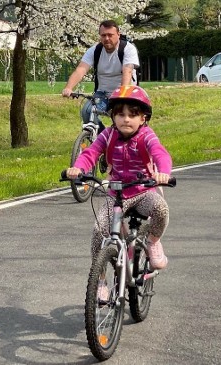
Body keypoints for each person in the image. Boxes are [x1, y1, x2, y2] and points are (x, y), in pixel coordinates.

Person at [66, 85, 172, 278]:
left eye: (132, 115)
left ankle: (153, 242)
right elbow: (91, 153)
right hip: (116, 195)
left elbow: (159, 153)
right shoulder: (108, 135)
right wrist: (78, 168)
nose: (126, 119)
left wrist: (163, 173)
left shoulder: (146, 135)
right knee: (99, 231)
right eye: (120, 115)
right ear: (113, 117)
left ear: (143, 118)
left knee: (161, 209)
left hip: (143, 192)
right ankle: (100, 281)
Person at [61, 19, 140, 132]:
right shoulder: (95, 51)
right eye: (103, 35)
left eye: (110, 35)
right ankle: (103, 138)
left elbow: (127, 72)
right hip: (102, 93)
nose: (107, 38)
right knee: (87, 112)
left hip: (125, 92)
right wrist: (69, 87)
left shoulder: (128, 49)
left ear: (118, 34)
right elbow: (81, 70)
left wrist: (121, 96)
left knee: (122, 122)